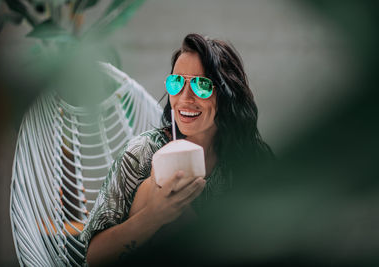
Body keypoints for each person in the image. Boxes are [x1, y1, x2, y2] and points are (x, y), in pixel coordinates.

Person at [79, 33, 272, 266]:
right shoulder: (143, 153)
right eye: (177, 82)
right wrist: (155, 215)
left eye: (202, 85)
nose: (185, 97)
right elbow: (93, 258)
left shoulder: (247, 157)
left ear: (228, 94)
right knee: (156, 184)